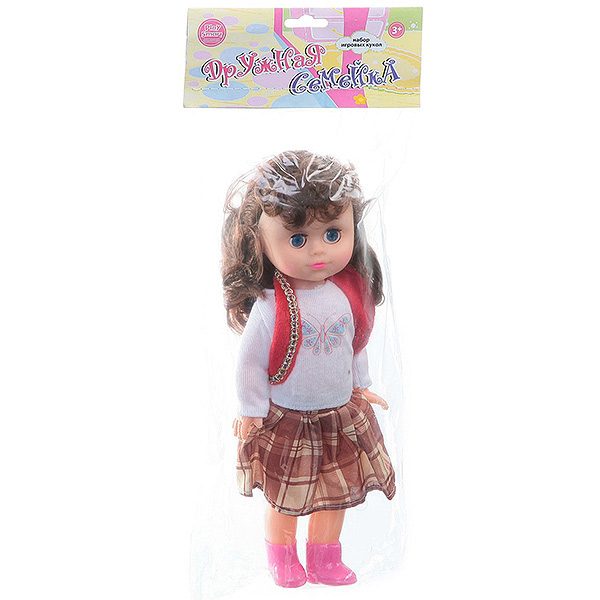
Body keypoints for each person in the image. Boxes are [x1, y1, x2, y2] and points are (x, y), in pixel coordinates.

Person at [222, 150, 396, 587]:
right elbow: (249, 363)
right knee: (287, 496)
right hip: (289, 419)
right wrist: (250, 410)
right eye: (297, 239)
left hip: (339, 414)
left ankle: (324, 556)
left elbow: (354, 343)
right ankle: (281, 556)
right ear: (260, 241)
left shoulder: (348, 293)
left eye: (334, 233)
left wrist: (362, 384)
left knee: (335, 494)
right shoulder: (271, 306)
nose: (318, 250)